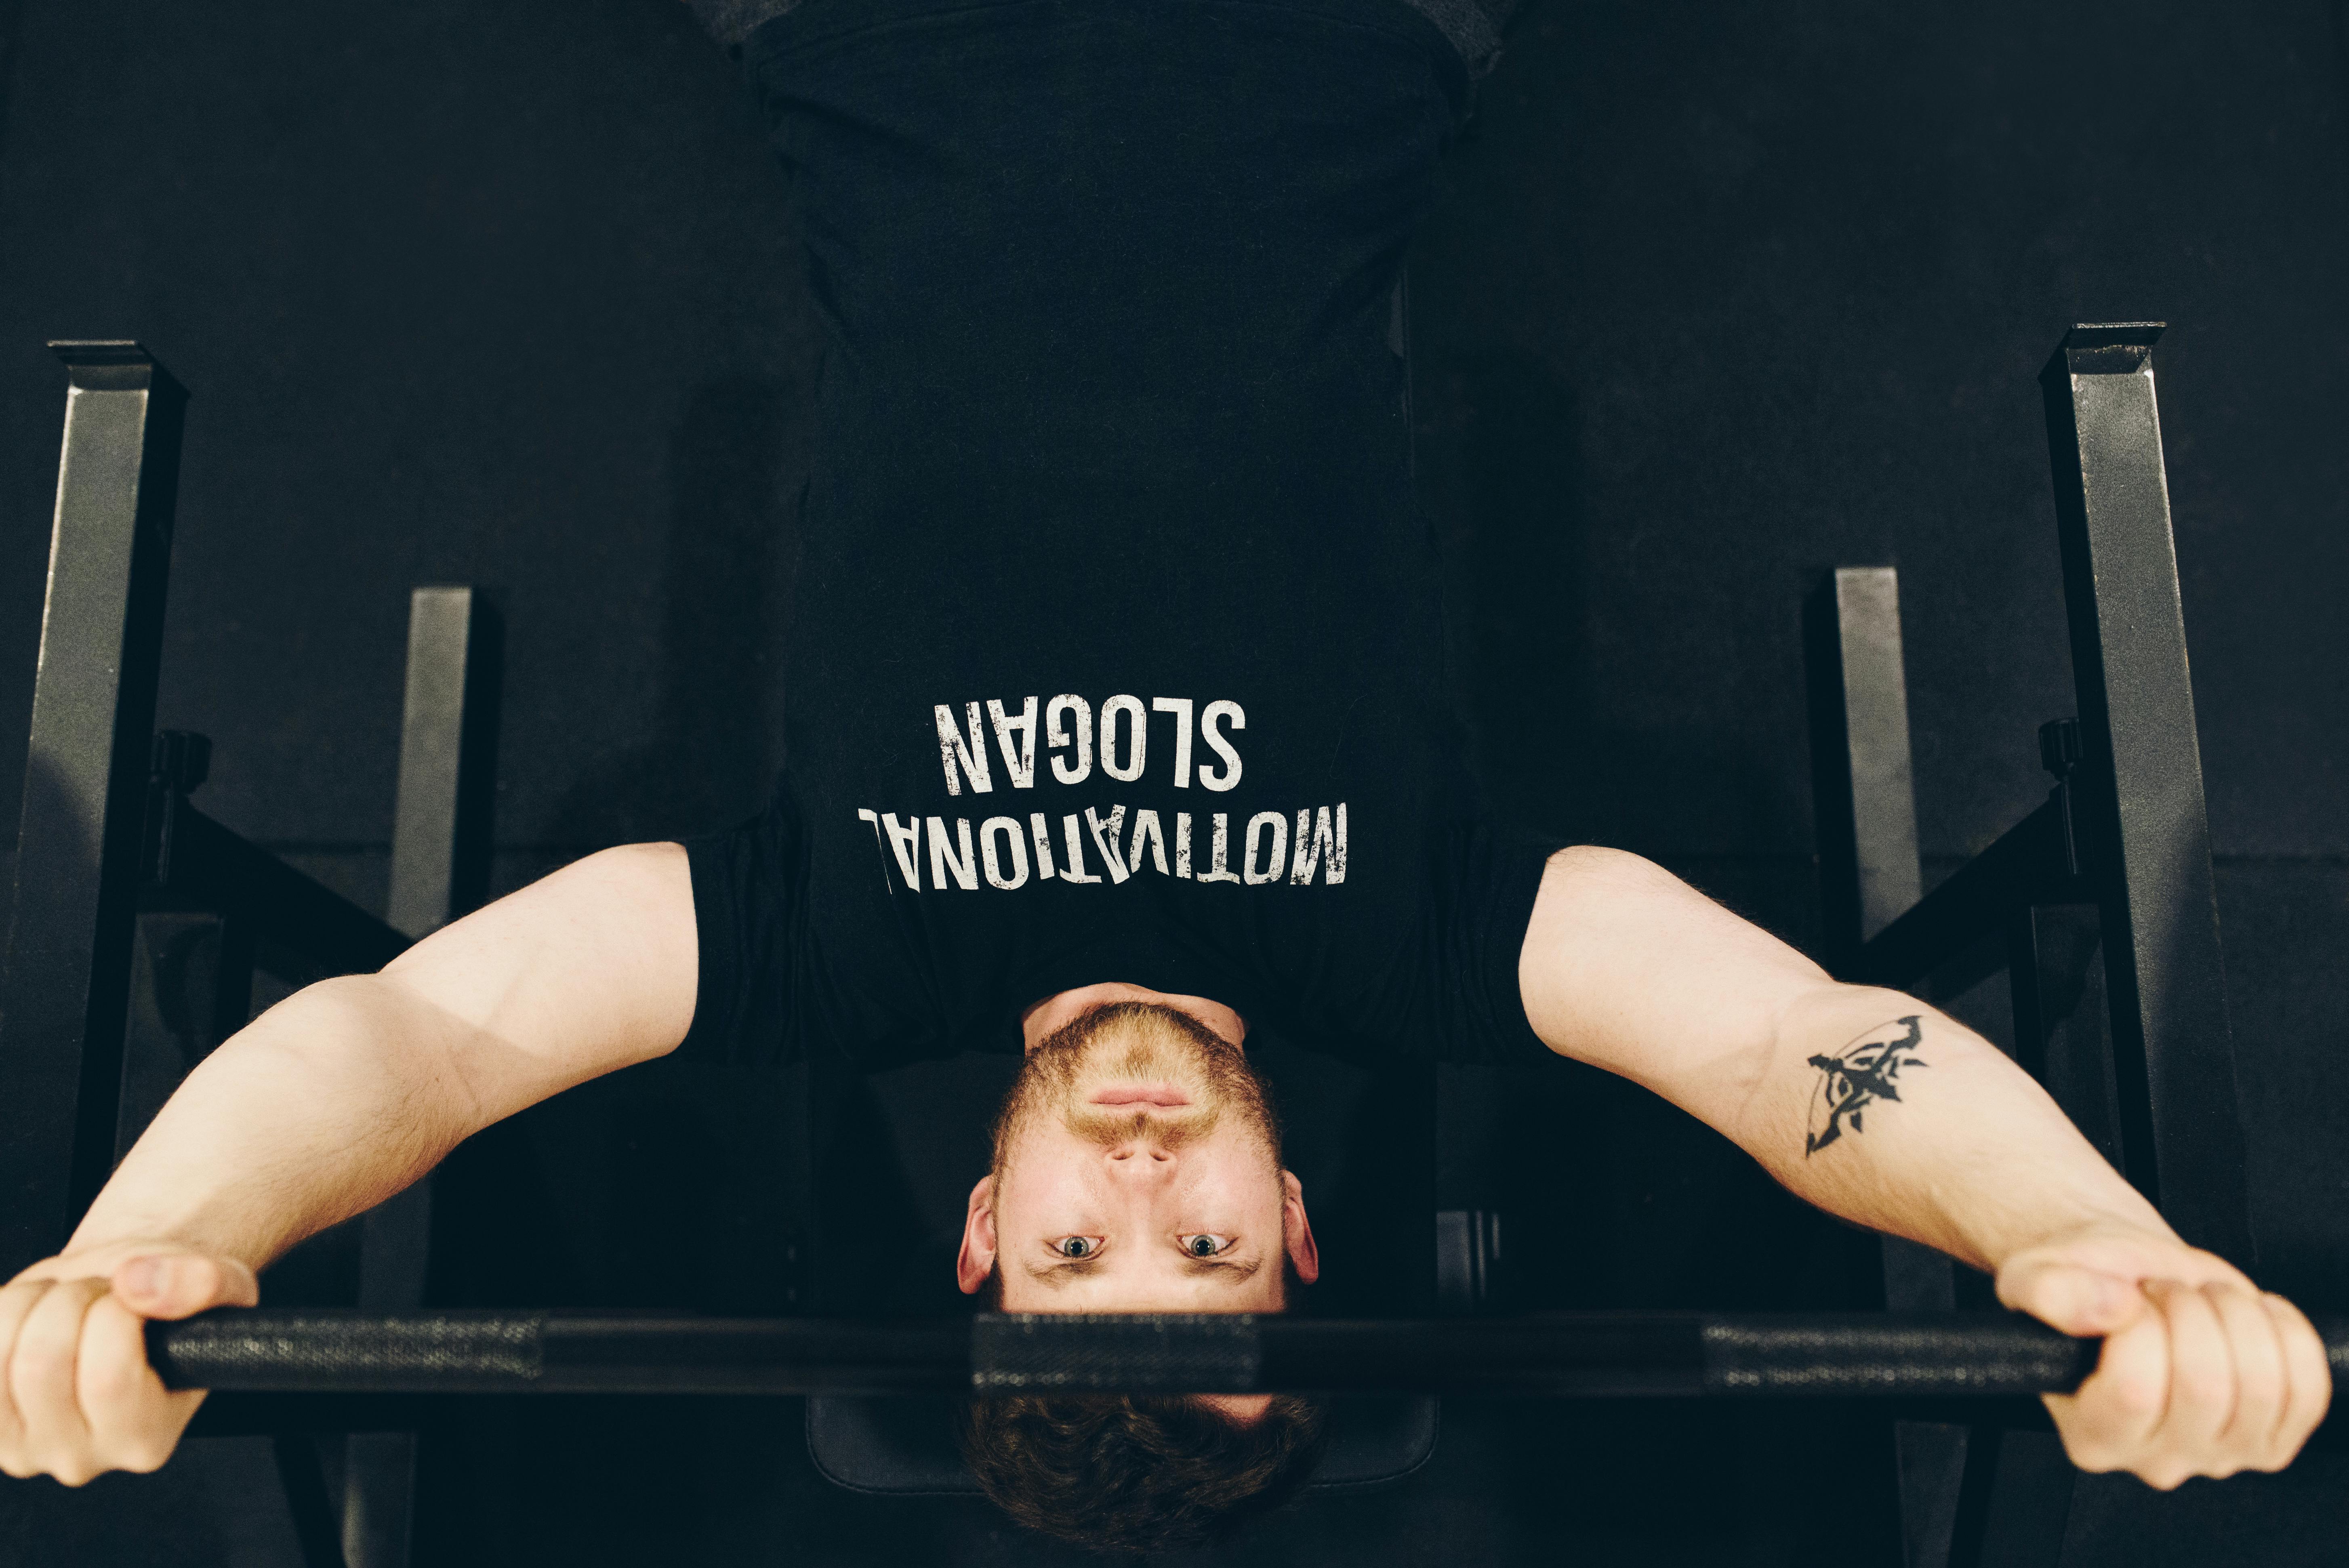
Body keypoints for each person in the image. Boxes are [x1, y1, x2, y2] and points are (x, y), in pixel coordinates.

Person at [0, 0, 2329, 1552]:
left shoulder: (816, 942)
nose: (1139, 1176)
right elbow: (1800, 1048)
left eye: (1081, 1254)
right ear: (1299, 1233)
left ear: (977, 1244)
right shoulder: (1427, 931)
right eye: (1205, 1251)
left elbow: (414, 1044)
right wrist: (2080, 1243)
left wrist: (150, 1245)